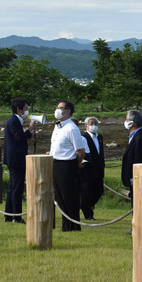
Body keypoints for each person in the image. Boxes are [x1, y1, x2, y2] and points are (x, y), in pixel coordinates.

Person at [50, 99, 86, 231]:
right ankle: (66, 225)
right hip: (56, 163)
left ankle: (73, 226)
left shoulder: (72, 128)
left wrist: (75, 164)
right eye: (57, 107)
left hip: (67, 165)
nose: (57, 110)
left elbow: (81, 151)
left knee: (69, 196)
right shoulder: (57, 126)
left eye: (60, 108)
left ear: (68, 111)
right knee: (60, 197)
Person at [3, 98, 39, 223]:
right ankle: (16, 216)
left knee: (13, 187)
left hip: (15, 158)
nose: (27, 111)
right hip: (16, 159)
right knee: (17, 188)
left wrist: (28, 133)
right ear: (19, 110)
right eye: (25, 109)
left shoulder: (14, 121)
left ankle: (8, 215)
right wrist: (29, 130)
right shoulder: (13, 121)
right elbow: (18, 137)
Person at [79, 116, 105, 221]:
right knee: (86, 191)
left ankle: (85, 205)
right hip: (87, 169)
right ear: (86, 126)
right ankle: (88, 214)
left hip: (98, 168)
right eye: (91, 123)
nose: (93, 125)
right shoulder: (83, 137)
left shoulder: (100, 137)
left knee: (99, 190)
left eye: (95, 123)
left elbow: (100, 153)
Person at [120, 110, 142, 192]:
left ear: (131, 123)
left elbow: (140, 159)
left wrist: (135, 178)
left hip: (136, 179)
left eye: (126, 120)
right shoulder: (134, 135)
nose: (125, 122)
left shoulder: (139, 137)